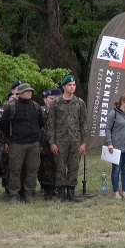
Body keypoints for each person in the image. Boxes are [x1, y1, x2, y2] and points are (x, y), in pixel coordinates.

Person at [0, 83, 44, 203]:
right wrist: (12, 135)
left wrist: (35, 136)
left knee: (32, 169)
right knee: (15, 170)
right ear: (20, 93)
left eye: (30, 91)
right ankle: (14, 194)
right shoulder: (11, 106)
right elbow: (2, 124)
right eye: (27, 91)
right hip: (17, 144)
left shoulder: (35, 106)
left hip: (33, 144)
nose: (29, 93)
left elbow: (41, 123)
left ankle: (29, 193)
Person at [47, 74, 88, 203]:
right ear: (64, 86)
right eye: (70, 85)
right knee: (60, 166)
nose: (72, 87)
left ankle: (71, 192)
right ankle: (60, 193)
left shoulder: (79, 103)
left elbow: (84, 123)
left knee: (74, 166)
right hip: (60, 140)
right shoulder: (56, 103)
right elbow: (51, 123)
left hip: (75, 140)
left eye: (74, 85)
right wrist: (52, 142)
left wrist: (84, 142)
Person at [38, 87, 62, 200]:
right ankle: (47, 188)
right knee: (46, 166)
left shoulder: (62, 112)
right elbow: (38, 128)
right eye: (52, 98)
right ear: (46, 99)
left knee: (58, 166)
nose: (54, 100)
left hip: (60, 143)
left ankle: (57, 187)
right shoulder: (41, 112)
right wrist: (40, 144)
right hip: (45, 143)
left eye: (57, 98)